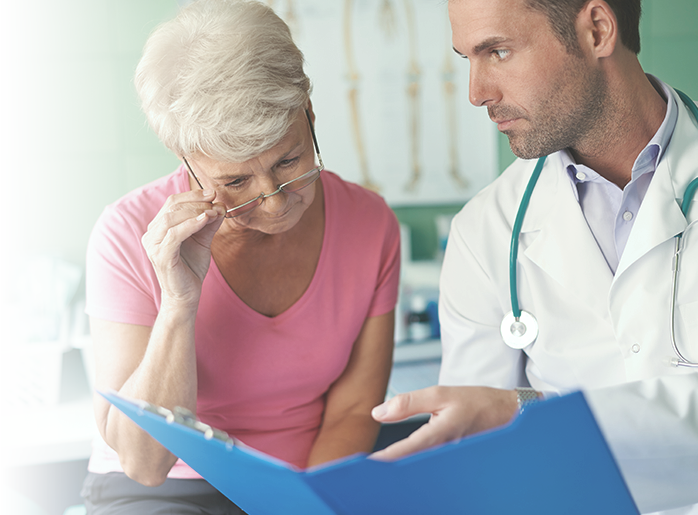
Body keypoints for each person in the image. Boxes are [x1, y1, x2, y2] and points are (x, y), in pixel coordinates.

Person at [371, 0, 698, 513]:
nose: (477, 93)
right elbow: (479, 451)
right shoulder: (486, 230)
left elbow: (505, 415)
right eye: (468, 59)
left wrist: (532, 412)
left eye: (497, 52)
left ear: (596, 30)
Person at [80, 0, 400, 513]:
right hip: (162, 493)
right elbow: (144, 463)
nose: (274, 202)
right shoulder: (124, 234)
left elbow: (354, 411)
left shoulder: (371, 223)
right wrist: (178, 305)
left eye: (290, 160)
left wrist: (302, 505)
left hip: (301, 484)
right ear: (185, 160)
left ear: (310, 116)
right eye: (235, 182)